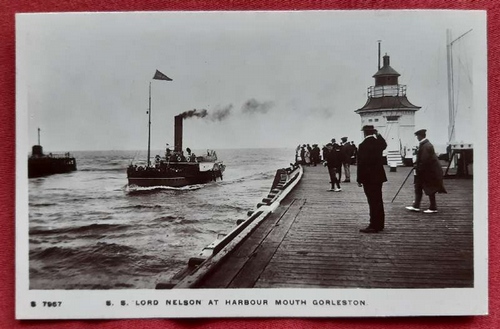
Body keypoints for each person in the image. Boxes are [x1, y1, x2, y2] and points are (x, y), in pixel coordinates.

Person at [406, 129, 447, 213]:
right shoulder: (425, 144)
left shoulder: (426, 146)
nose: (417, 138)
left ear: (420, 136)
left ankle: (433, 207)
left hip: (428, 171)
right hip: (427, 170)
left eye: (417, 136)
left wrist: (418, 168)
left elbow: (424, 160)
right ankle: (416, 205)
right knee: (418, 186)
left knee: (429, 188)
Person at [357, 125, 387, 233]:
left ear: (364, 133)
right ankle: (380, 224)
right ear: (373, 132)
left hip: (368, 179)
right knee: (378, 200)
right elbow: (384, 144)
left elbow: (361, 164)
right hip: (378, 177)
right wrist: (378, 134)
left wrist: (359, 179)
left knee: (372, 201)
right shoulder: (378, 143)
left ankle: (373, 225)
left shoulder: (362, 145)